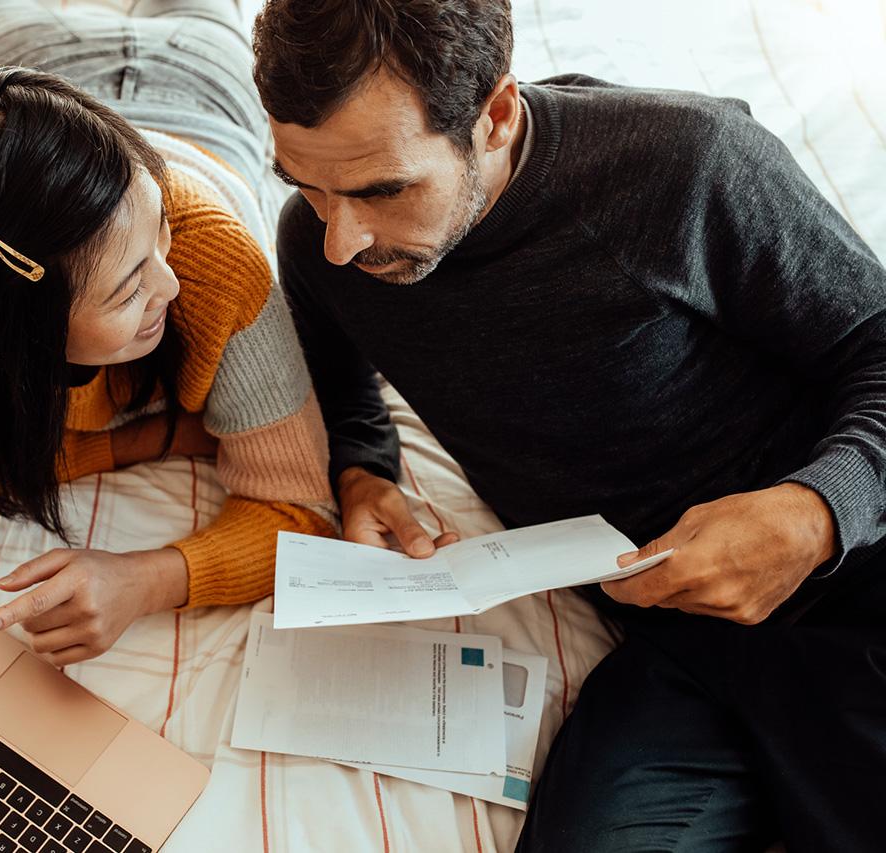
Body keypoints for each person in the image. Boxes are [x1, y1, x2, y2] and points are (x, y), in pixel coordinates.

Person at [252, 0, 886, 850]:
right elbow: (342, 380)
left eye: (383, 190)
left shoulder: (685, 164)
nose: (341, 239)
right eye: (306, 184)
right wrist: (365, 467)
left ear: (497, 115)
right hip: (673, 650)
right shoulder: (321, 243)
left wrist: (814, 514)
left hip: (855, 586)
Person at [0, 0, 335, 665]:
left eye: (158, 232)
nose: (168, 287)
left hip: (182, 79)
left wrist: (142, 579)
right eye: (128, 287)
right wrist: (171, 435)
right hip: (13, 86)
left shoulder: (216, 264)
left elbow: (299, 510)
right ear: (11, 325)